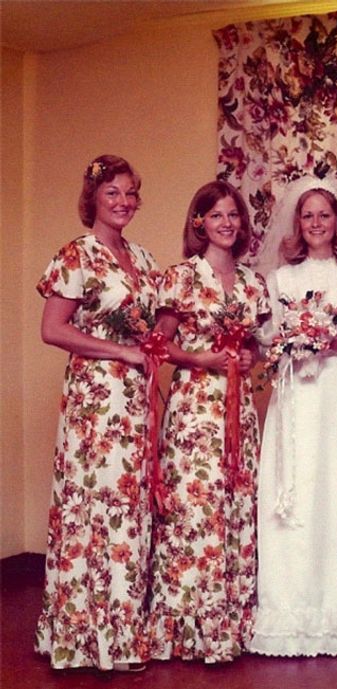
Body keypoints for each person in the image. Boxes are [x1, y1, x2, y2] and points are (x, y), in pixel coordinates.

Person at [34, 155, 161, 671]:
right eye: (112, 193)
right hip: (95, 399)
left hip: (135, 397)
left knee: (130, 505)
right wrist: (120, 352)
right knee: (95, 505)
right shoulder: (77, 254)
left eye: (130, 193)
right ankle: (85, 638)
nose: (123, 202)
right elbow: (53, 329)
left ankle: (125, 634)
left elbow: (155, 328)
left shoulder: (143, 258)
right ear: (93, 199)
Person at [249, 177, 337, 656]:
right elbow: (265, 340)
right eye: (308, 216)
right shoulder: (280, 281)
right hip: (297, 397)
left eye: (324, 215)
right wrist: (293, 340)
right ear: (297, 223)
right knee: (296, 491)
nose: (316, 223)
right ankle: (288, 610)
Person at [148, 180, 270, 663]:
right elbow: (158, 345)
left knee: (235, 504)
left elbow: (257, 347)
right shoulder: (180, 277)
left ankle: (232, 624)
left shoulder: (253, 283)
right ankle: (188, 627)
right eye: (216, 215)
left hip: (239, 411)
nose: (226, 223)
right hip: (195, 409)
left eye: (233, 215)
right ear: (199, 222)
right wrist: (199, 358)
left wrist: (249, 354)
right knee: (195, 508)